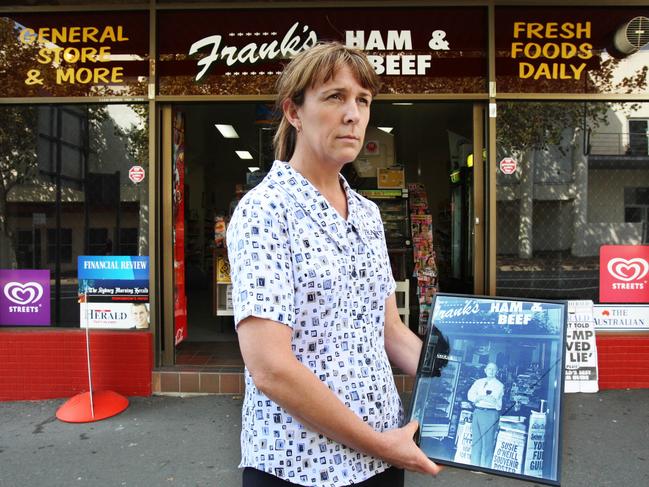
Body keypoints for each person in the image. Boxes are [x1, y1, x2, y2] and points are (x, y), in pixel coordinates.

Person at [227, 42, 441, 487]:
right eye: (334, 97)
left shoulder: (367, 213)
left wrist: (456, 378)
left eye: (362, 100)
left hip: (383, 453)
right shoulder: (264, 211)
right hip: (298, 465)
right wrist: (378, 444)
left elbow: (390, 332)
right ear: (294, 112)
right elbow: (270, 368)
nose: (353, 114)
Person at [467, 362, 504, 468]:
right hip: (478, 412)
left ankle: (485, 468)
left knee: (487, 443)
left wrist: (478, 397)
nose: (491, 371)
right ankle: (474, 467)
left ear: (497, 372)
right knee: (476, 441)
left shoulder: (499, 385)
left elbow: (492, 399)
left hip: (490, 414)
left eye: (494, 369)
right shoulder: (478, 382)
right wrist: (482, 397)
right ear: (485, 370)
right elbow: (470, 395)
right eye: (489, 369)